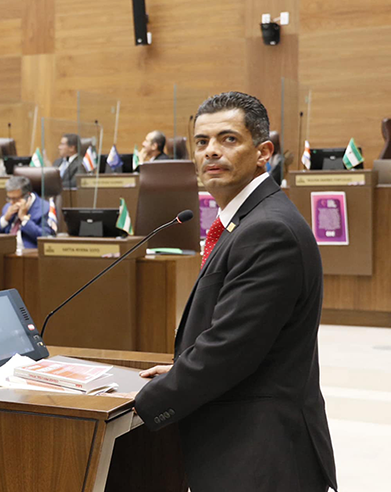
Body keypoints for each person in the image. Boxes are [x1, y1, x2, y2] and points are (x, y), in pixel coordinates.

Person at [131, 92, 337, 492]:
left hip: (263, 455)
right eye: (201, 142)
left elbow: (229, 350)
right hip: (247, 442)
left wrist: (140, 405)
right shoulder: (248, 221)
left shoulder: (268, 230)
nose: (210, 152)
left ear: (263, 152)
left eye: (228, 139)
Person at [0, 175, 55, 249]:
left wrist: (24, 219)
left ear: (27, 196)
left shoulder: (44, 208)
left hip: (30, 254)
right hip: (7, 251)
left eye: (15, 199)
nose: (11, 202)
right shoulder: (8, 207)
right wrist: (5, 218)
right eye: (9, 198)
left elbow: (46, 237)